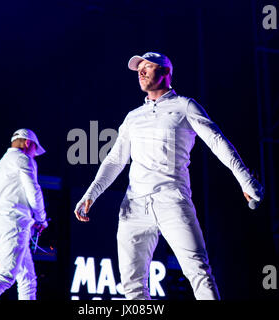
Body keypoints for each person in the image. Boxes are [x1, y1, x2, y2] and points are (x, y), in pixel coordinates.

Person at [74, 52, 264, 300]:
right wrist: (91, 194)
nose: (141, 72)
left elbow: (217, 142)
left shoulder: (184, 106)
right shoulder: (133, 117)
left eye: (148, 67)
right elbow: (114, 159)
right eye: (139, 68)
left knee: (199, 272)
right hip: (134, 207)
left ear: (165, 72)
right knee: (132, 287)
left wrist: (245, 180)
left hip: (172, 201)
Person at [0, 128, 49, 300]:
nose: (35, 155)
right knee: (5, 276)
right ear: (27, 143)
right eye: (34, 150)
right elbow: (34, 191)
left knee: (27, 279)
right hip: (14, 226)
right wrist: (41, 218)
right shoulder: (24, 159)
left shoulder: (0, 166)